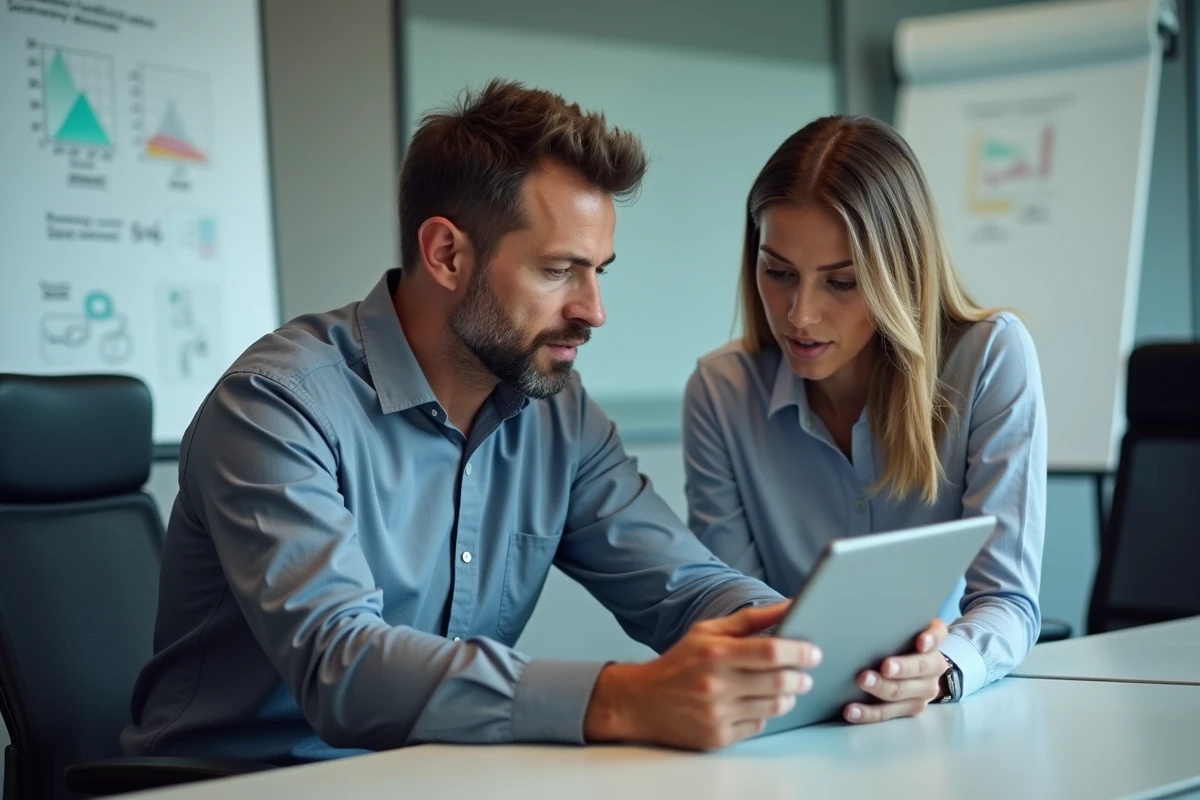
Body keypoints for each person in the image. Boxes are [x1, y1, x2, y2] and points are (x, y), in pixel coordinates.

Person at [121, 80, 822, 764]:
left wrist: (816, 645)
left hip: (430, 775)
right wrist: (622, 697)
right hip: (235, 783)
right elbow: (342, 665)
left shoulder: (559, 414)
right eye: (559, 271)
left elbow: (685, 584)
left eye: (599, 271)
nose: (593, 310)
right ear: (447, 254)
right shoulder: (275, 406)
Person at [683, 115, 1046, 724]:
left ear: (900, 274)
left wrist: (941, 669)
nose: (800, 314)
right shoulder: (721, 392)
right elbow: (732, 605)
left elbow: (1007, 599)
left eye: (842, 282)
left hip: (938, 716)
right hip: (788, 721)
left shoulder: (990, 357)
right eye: (779, 273)